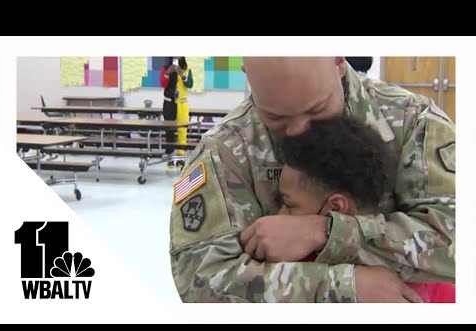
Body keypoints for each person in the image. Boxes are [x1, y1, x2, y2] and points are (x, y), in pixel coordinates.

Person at [169, 57, 455, 303]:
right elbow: (199, 280)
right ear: (249, 76)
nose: (298, 132)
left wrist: (325, 231)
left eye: (317, 110)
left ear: (339, 61)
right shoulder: (225, 151)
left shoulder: (414, 122)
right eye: (276, 118)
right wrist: (345, 287)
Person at [276, 116, 455, 303]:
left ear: (336, 207)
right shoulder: (435, 283)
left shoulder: (290, 274)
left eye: (288, 205)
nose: (278, 214)